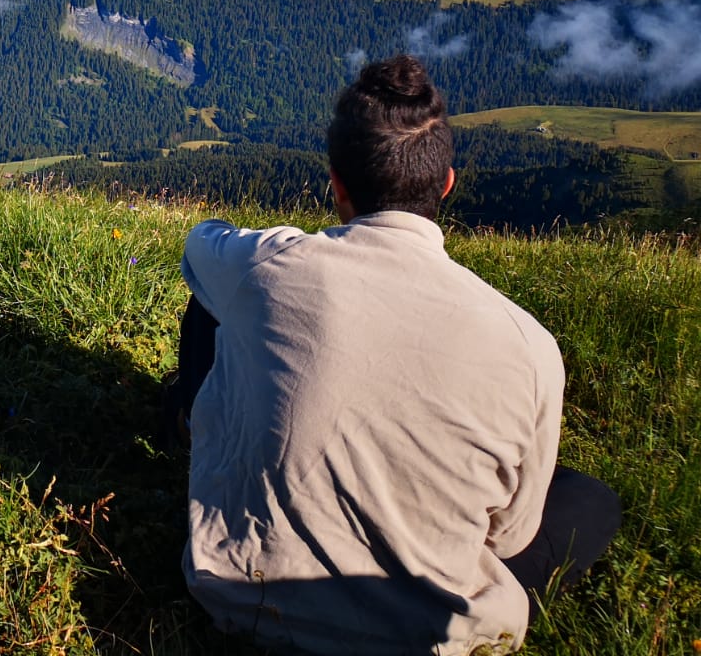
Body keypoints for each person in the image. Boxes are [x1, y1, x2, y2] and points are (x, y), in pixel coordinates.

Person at [172, 55, 620, 655]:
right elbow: (510, 537)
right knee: (590, 501)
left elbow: (200, 244)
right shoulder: (530, 346)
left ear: (336, 183)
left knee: (218, 304)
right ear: (447, 184)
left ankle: (180, 426)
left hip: (238, 599)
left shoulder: (269, 266)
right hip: (431, 637)